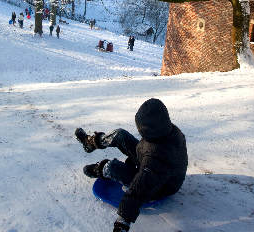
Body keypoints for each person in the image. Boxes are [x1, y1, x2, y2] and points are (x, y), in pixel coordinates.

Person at [75, 98, 188, 232]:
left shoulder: (158, 158)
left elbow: (138, 189)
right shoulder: (166, 130)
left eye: (141, 130)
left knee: (113, 167)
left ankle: (102, 169)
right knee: (120, 135)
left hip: (158, 186)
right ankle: (91, 143)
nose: (139, 132)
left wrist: (122, 222)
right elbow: (148, 151)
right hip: (150, 162)